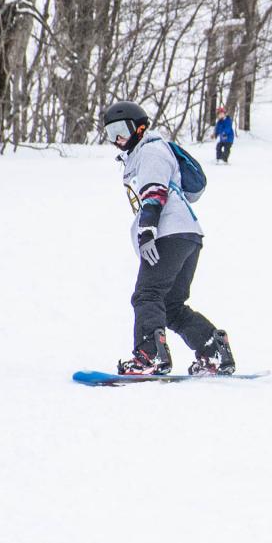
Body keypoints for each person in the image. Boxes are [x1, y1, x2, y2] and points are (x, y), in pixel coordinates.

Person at [100, 100, 236, 375]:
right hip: (187, 235)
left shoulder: (150, 151)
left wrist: (147, 230)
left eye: (121, 130)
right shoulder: (143, 153)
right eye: (111, 132)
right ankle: (213, 350)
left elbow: (154, 192)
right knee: (171, 306)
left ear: (139, 128)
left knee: (147, 294)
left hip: (169, 233)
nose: (117, 139)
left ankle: (149, 356)